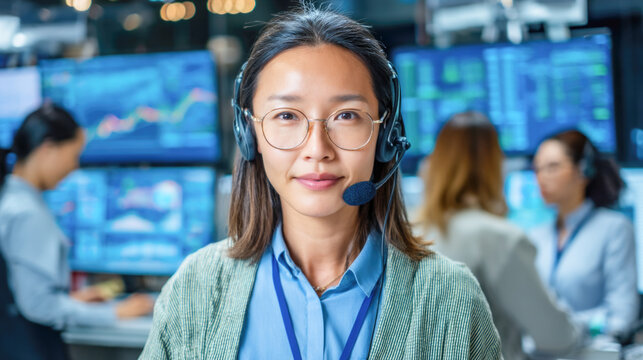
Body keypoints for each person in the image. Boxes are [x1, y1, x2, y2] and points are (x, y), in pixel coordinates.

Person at [141, 7, 501, 360]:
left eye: (347, 116)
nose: (317, 149)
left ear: (386, 134)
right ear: (250, 133)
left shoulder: (451, 298)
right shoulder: (196, 289)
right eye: (286, 116)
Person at [414, 111, 582, 359]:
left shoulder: (406, 232)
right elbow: (555, 338)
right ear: (493, 166)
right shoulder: (498, 239)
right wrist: (583, 327)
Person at [0, 104, 154, 360]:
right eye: (73, 156)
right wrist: (115, 312)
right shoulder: (27, 213)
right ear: (48, 149)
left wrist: (73, 299)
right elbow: (38, 306)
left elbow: (20, 292)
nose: (74, 168)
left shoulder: (11, 200)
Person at [531, 129, 638, 337]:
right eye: (537, 169)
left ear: (583, 170)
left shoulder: (614, 229)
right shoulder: (536, 236)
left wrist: (566, 327)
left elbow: (622, 316)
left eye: (553, 167)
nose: (541, 177)